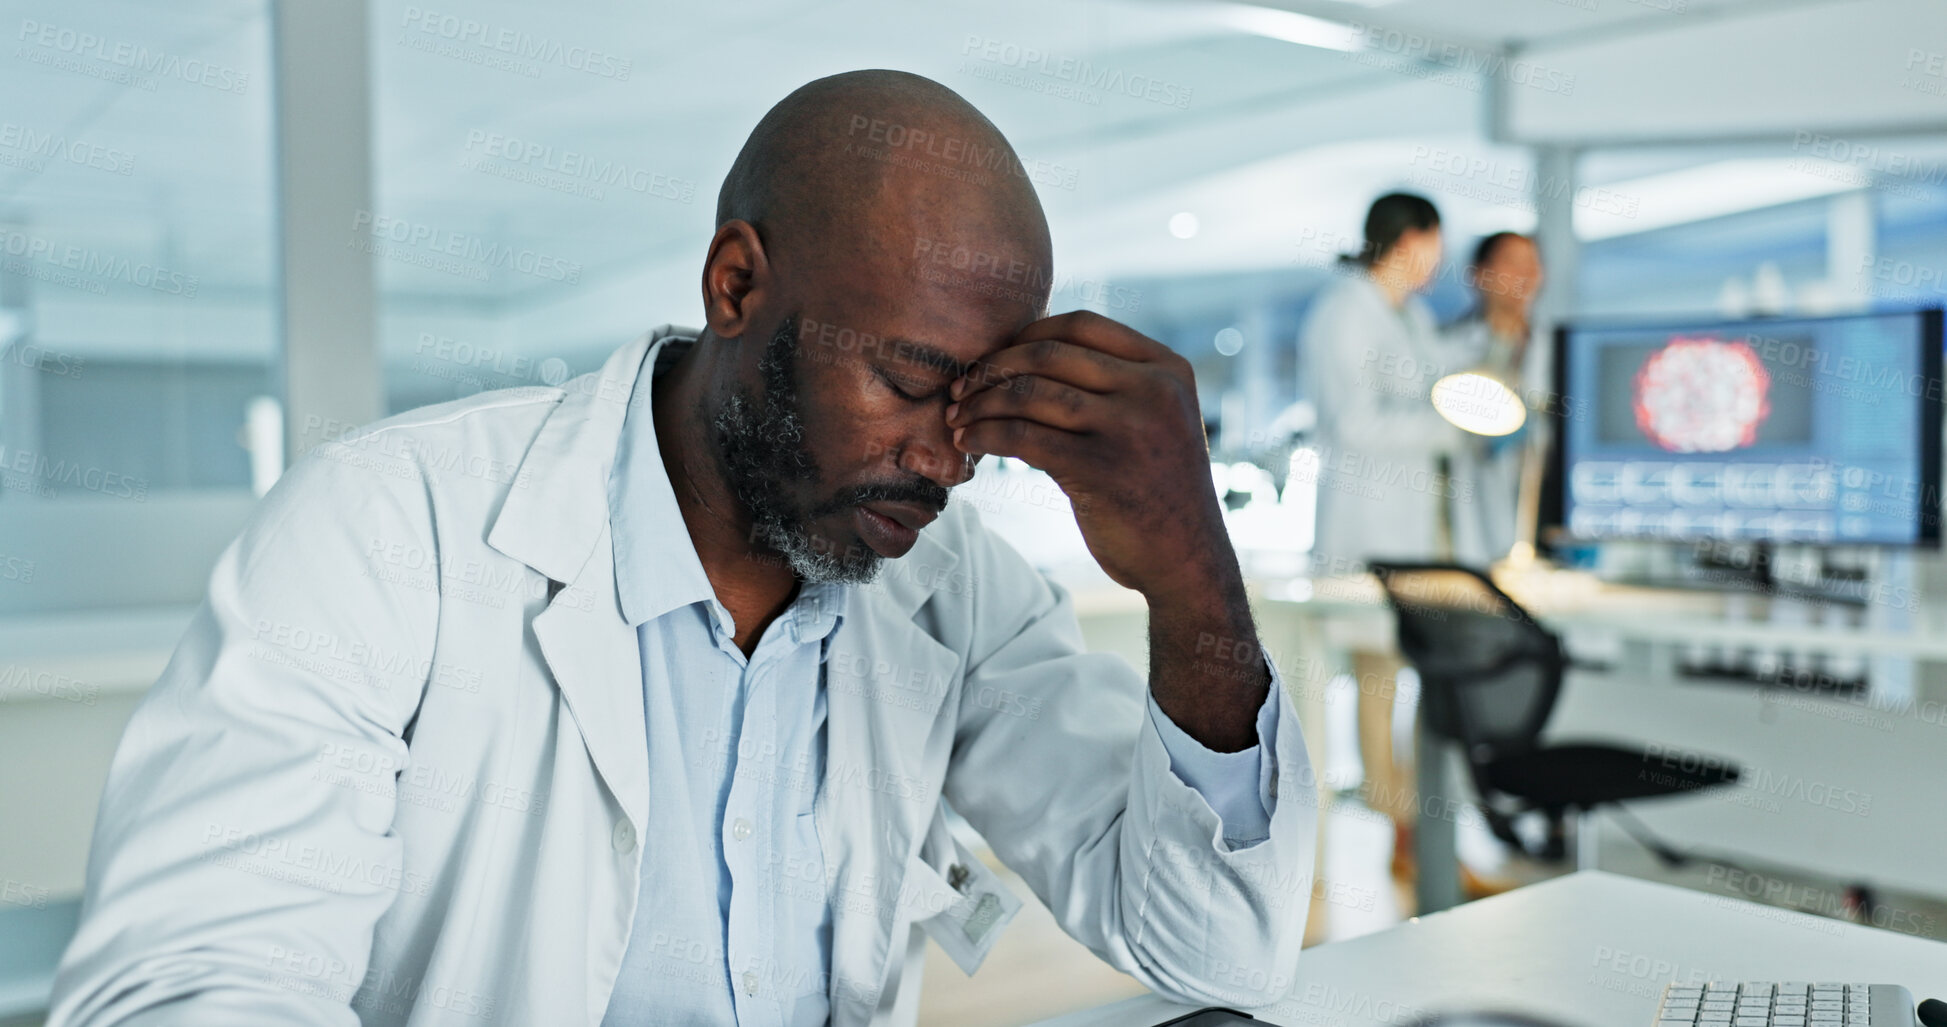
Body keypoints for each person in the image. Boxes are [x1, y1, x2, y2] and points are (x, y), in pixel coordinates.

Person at [47, 72, 1314, 1027]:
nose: (947, 459)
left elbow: (1217, 949)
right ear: (735, 286)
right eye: (906, 379)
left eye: (979, 408)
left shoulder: (952, 590)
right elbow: (193, 983)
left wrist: (1192, 573)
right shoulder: (387, 530)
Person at [1297, 192, 1473, 878]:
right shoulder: (1344, 312)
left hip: (1417, 529)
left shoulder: (1409, 314)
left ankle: (1424, 836)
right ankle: (1402, 835)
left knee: (1416, 678)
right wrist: (1447, 431)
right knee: (1378, 681)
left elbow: (1437, 380)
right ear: (1411, 240)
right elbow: (1352, 424)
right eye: (1434, 244)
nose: (1438, 259)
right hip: (1367, 527)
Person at [1444, 231, 1547, 568]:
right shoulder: (1447, 348)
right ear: (1480, 273)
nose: (1525, 274)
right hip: (1467, 516)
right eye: (1512, 263)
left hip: (1535, 514)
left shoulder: (1551, 349)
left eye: (1532, 264)